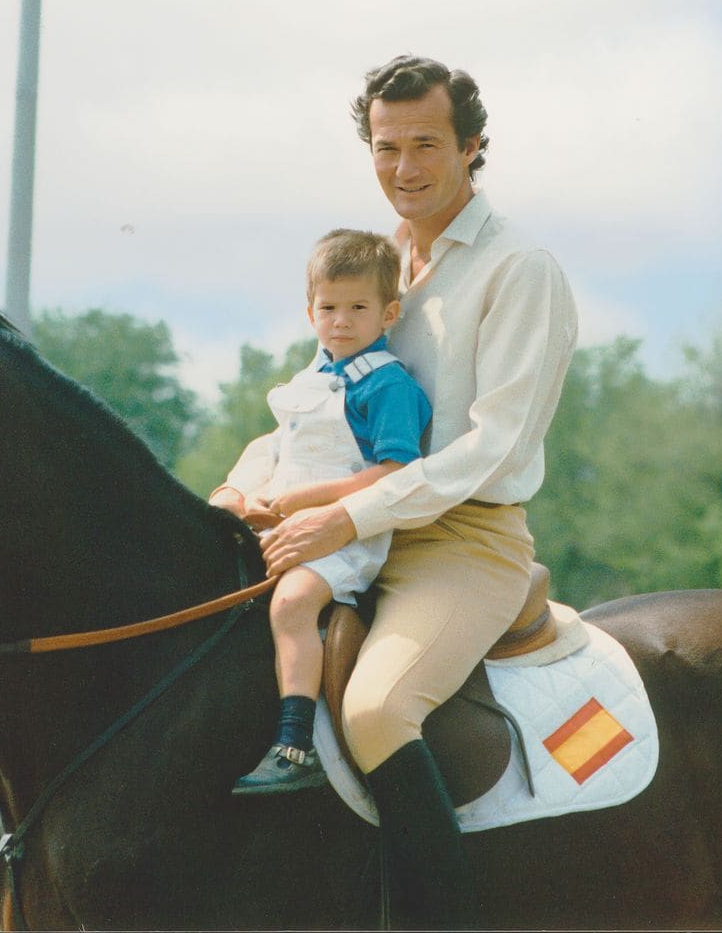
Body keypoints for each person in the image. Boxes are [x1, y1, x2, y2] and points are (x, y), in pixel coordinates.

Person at [212, 56, 578, 929]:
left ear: (473, 146)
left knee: (377, 709)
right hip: (346, 530)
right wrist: (239, 483)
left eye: (426, 145)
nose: (404, 167)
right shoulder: (374, 271)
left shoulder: (519, 269)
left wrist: (345, 516)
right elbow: (316, 415)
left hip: (463, 544)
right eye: (386, 147)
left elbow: (494, 447)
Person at [217, 228, 431, 795]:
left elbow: (395, 473)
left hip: (349, 534)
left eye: (357, 308)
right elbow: (278, 449)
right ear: (310, 313)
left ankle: (295, 743)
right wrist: (242, 494)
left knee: (291, 604)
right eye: (328, 308)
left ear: (388, 313)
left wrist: (303, 501)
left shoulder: (386, 385)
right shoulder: (312, 380)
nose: (340, 321)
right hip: (288, 524)